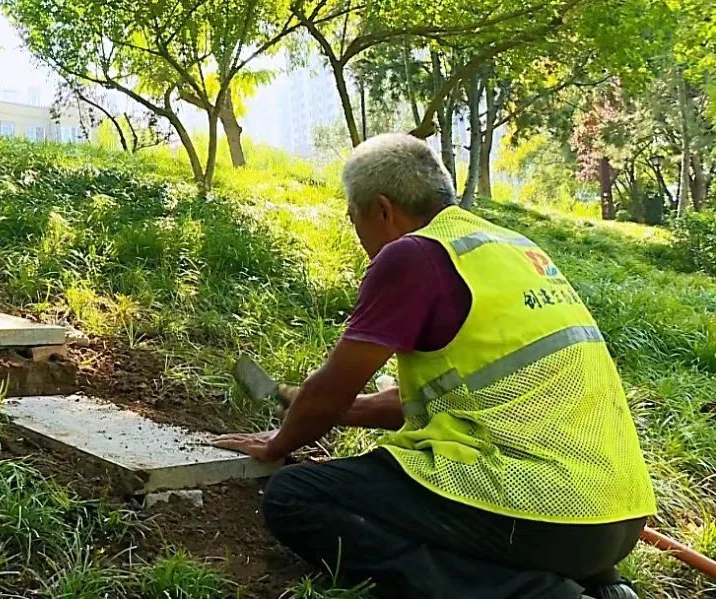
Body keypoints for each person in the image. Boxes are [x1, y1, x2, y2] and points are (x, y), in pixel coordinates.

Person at [213, 133, 657, 599]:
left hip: (540, 510)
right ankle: (602, 585)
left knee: (296, 495)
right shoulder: (510, 247)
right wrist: (339, 408)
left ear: (382, 210)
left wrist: (279, 442)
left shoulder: (414, 254)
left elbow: (331, 390)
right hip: (615, 518)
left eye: (354, 219)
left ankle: (536, 594)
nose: (359, 235)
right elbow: (458, 390)